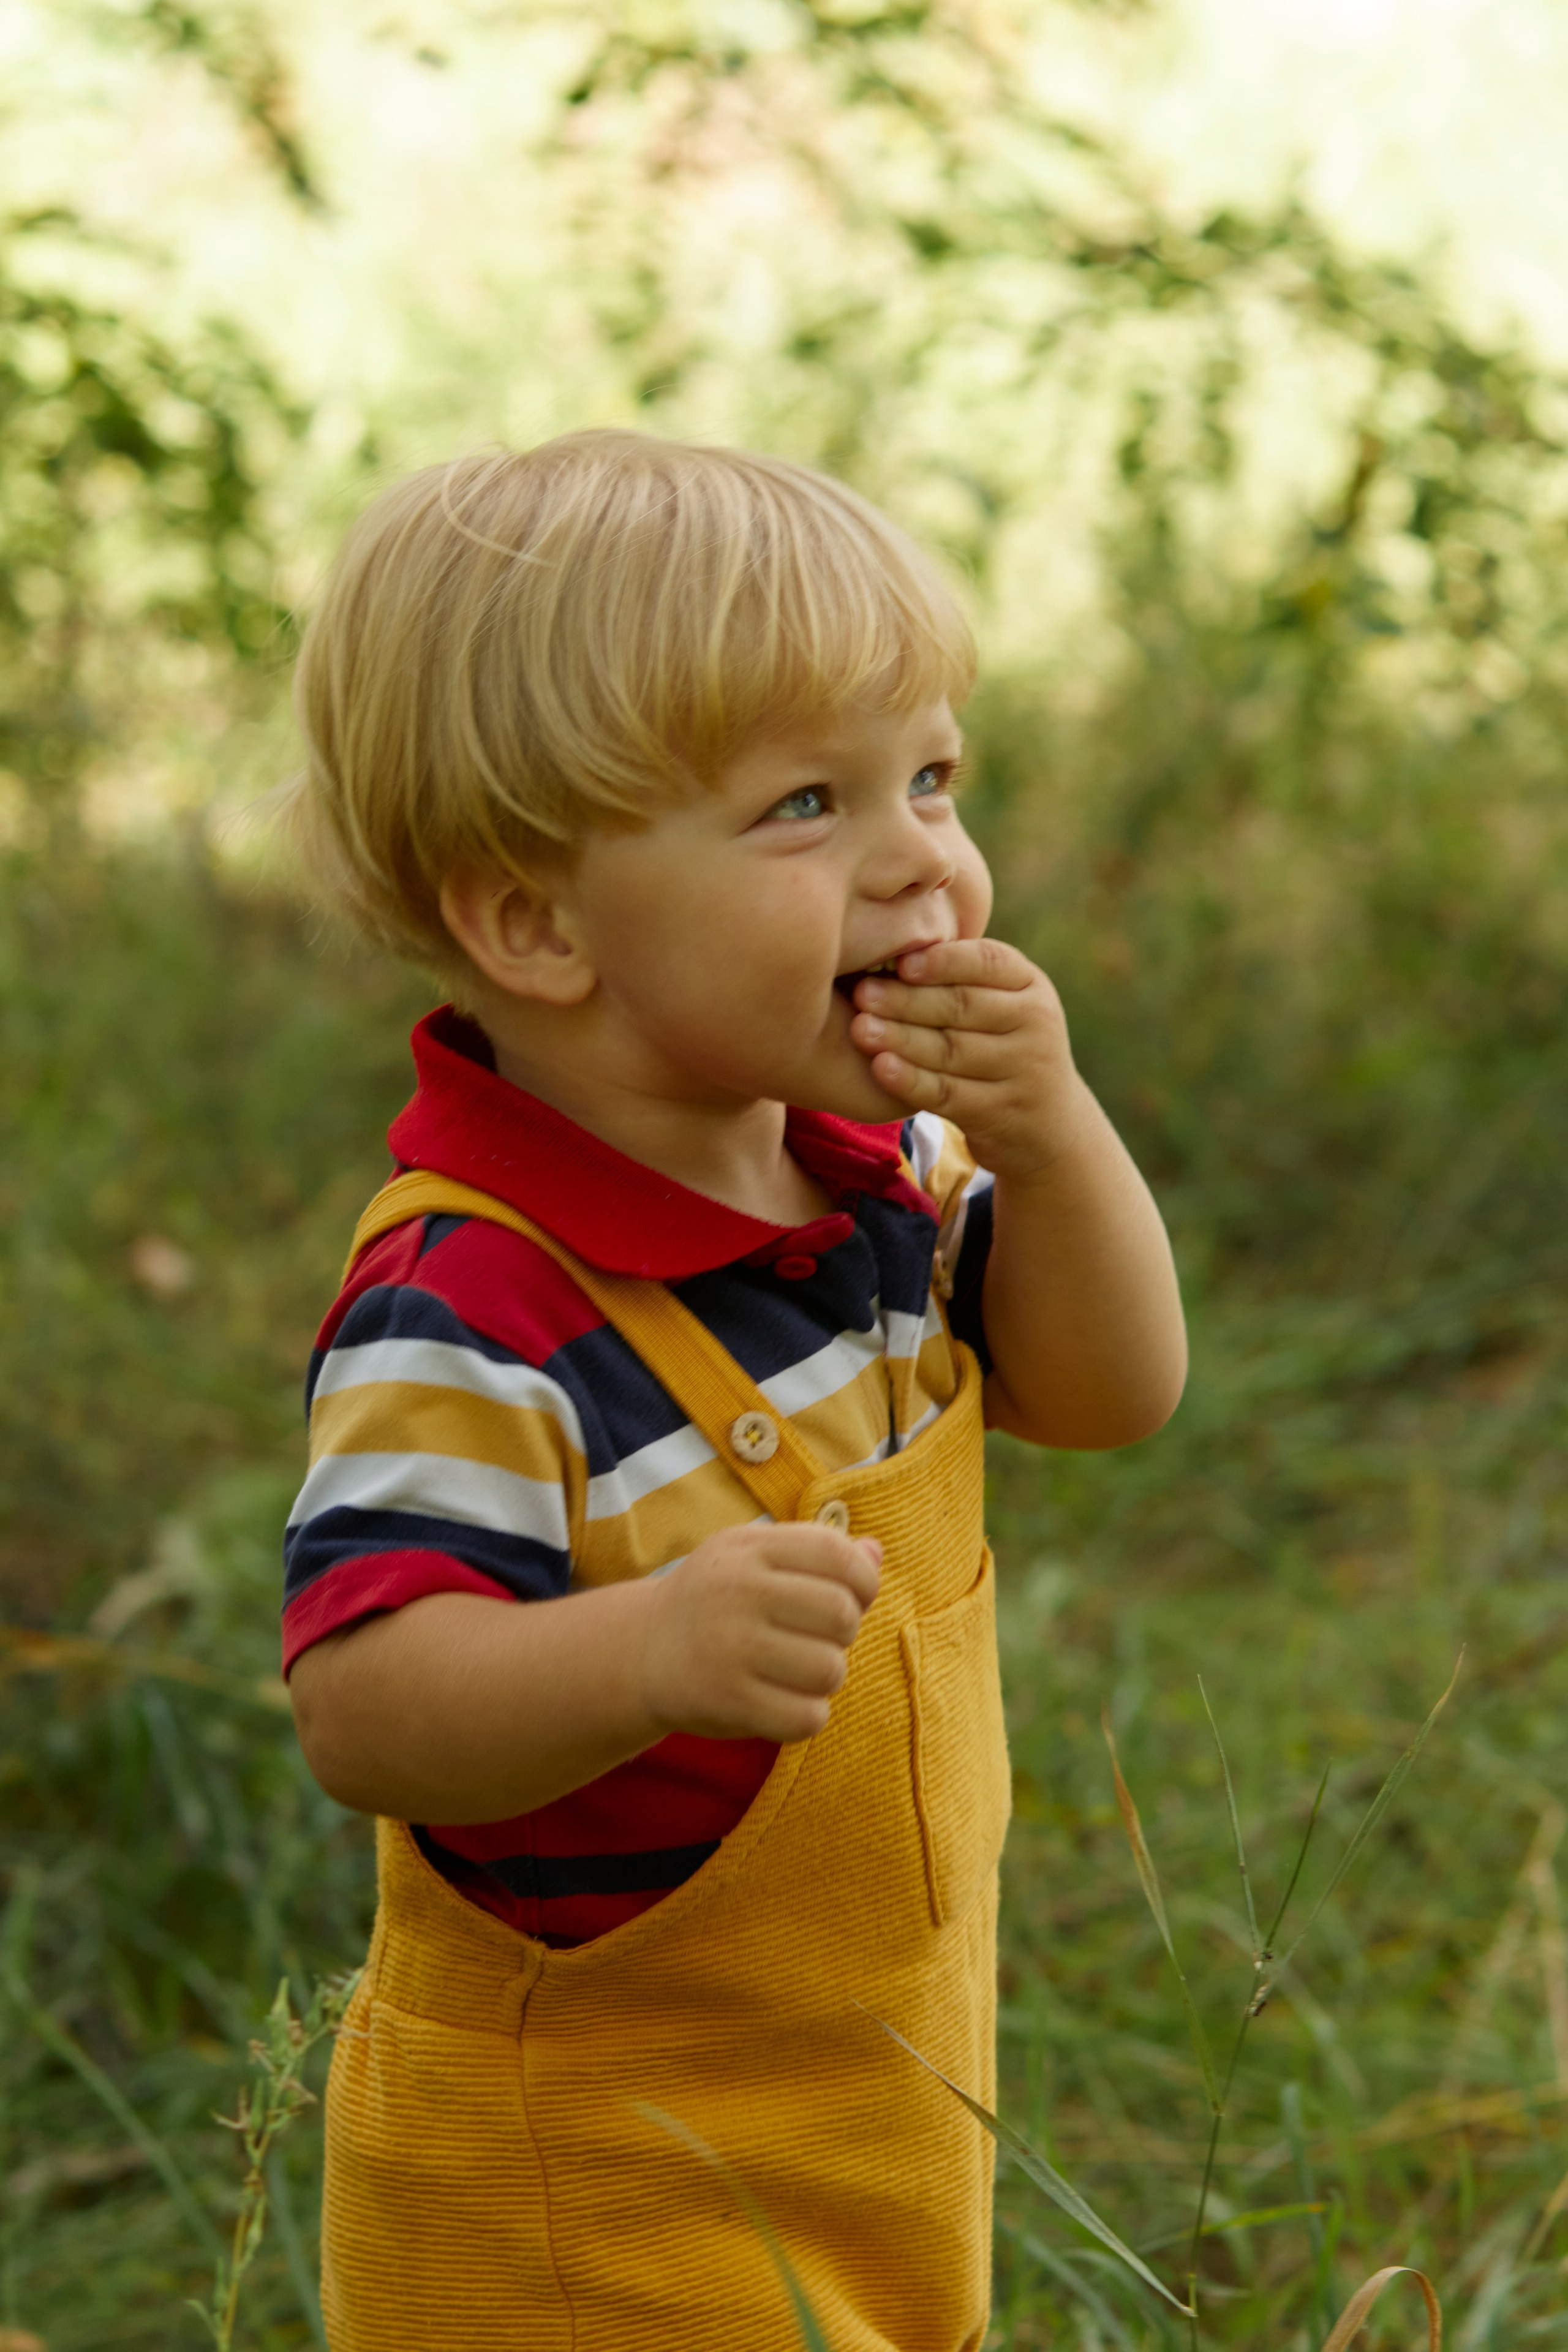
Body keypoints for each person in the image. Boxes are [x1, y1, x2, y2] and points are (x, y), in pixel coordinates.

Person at [280, 430, 1186, 2352]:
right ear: (540, 924)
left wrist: (1056, 1136)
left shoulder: (880, 1179)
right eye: (805, 805)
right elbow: (363, 1702)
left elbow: (1114, 1391)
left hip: (869, 2126)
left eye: (932, 777)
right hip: (583, 2216)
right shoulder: (478, 1299)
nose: (919, 858)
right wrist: (643, 1653)